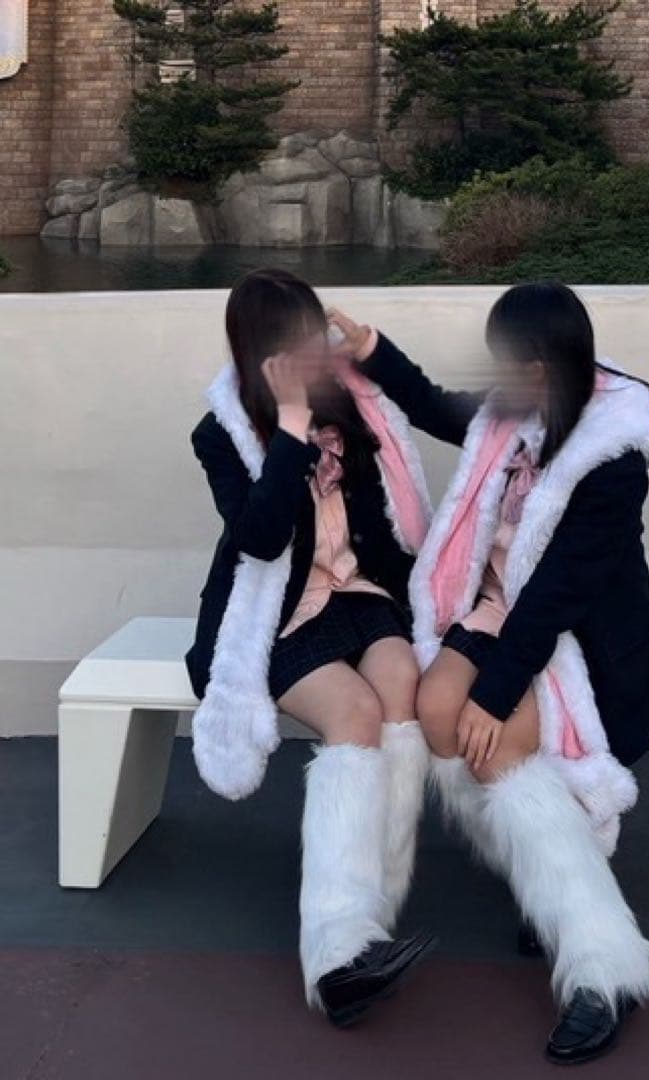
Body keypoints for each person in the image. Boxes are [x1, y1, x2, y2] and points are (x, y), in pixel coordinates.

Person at [329, 282, 649, 1065]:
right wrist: (372, 353)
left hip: (575, 635)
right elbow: (438, 408)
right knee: (436, 712)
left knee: (492, 743)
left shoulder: (610, 459)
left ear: (538, 367)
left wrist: (495, 696)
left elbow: (559, 593)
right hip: (495, 607)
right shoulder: (521, 413)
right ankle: (544, 877)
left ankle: (603, 965)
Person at [185, 269, 436, 1025]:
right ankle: (335, 954)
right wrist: (291, 431)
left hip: (358, 595)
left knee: (404, 689)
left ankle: (377, 905)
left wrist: (368, 356)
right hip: (279, 614)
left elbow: (433, 424)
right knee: (354, 714)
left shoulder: (352, 402)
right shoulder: (221, 433)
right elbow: (260, 541)